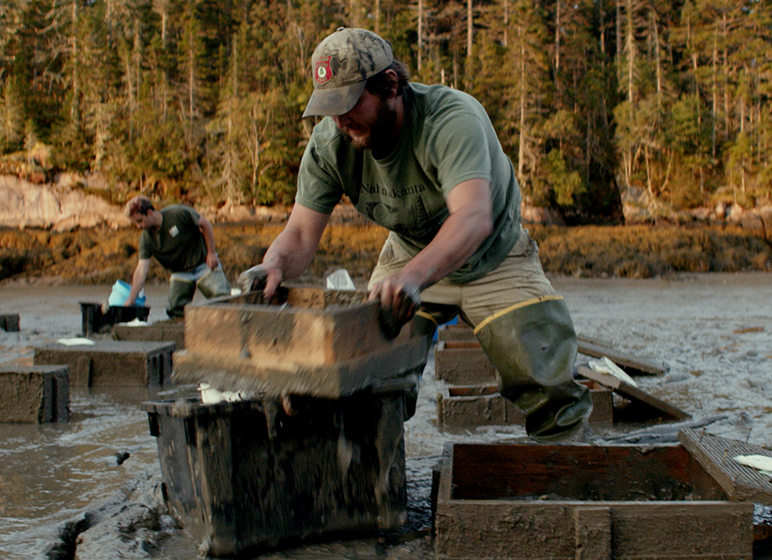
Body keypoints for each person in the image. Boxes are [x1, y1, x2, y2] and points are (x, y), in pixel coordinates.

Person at [238, 27, 591, 442]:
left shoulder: (451, 119)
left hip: (492, 254)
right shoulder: (331, 142)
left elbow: (474, 219)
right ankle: (375, 484)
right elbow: (298, 233)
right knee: (365, 371)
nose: (339, 120)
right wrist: (274, 264)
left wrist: (411, 278)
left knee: (542, 372)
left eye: (349, 104)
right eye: (329, 108)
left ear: (389, 86)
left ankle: (562, 474)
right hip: (409, 250)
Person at [123, 196, 230, 318]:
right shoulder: (146, 239)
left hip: (204, 263)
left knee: (223, 297)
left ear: (149, 212)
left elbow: (205, 224)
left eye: (140, 221)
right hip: (180, 272)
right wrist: (131, 299)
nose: (138, 226)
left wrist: (211, 253)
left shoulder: (177, 213)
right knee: (175, 309)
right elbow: (141, 269)